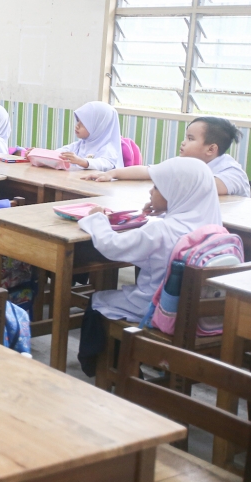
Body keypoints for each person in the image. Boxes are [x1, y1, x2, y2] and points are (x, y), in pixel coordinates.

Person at [78, 157, 221, 322]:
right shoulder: (214, 227)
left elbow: (111, 246)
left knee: (98, 300)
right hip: (194, 312)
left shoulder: (160, 231)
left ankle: (104, 348)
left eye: (157, 187)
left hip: (156, 307)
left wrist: (97, 219)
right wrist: (167, 210)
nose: (150, 192)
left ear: (174, 193)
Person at [82, 116, 250, 197]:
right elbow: (147, 170)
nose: (183, 143)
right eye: (186, 137)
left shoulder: (231, 170)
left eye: (190, 139)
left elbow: (208, 186)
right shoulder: (185, 163)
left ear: (211, 149)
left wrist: (169, 176)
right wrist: (112, 174)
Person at [27, 101, 123, 171]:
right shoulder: (79, 145)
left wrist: (82, 161)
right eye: (78, 121)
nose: (77, 126)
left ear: (99, 126)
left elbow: (105, 164)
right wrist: (38, 153)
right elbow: (58, 154)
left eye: (84, 123)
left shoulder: (109, 148)